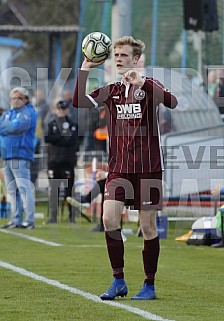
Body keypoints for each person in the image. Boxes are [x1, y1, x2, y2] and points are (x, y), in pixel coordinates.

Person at [73, 36, 177, 300]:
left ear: (136, 59)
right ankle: (118, 280)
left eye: (123, 55)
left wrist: (143, 82)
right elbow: (79, 102)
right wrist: (85, 67)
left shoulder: (149, 86)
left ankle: (149, 285)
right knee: (109, 219)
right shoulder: (112, 90)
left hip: (148, 168)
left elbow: (172, 101)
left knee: (148, 227)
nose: (118, 58)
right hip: (119, 169)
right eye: (116, 54)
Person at [0, 87, 37, 229]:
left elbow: (17, 128)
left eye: (19, 98)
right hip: (7, 155)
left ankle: (29, 220)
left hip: (20, 154)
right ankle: (16, 219)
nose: (15, 101)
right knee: (11, 190)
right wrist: (8, 126)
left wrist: (6, 127)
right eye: (13, 98)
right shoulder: (9, 113)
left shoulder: (29, 112)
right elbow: (6, 127)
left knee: (24, 188)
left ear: (26, 99)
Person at [44, 98, 79, 223]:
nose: (61, 111)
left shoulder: (73, 124)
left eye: (63, 109)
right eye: (59, 109)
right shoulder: (51, 124)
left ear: (67, 110)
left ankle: (72, 216)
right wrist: (62, 137)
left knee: (69, 190)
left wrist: (57, 138)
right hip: (53, 161)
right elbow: (48, 138)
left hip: (67, 162)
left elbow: (72, 140)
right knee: (54, 190)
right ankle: (53, 217)